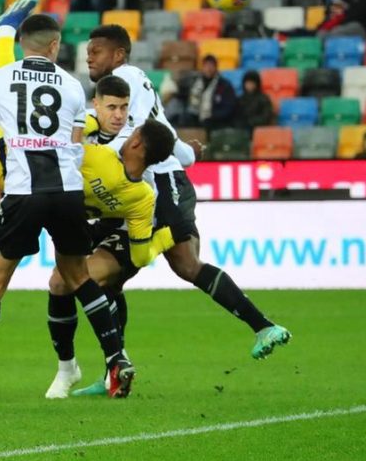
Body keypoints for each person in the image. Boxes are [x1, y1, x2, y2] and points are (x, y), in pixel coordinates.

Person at [70, 21, 289, 396]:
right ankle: (115, 372)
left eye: (97, 50)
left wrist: (86, 138)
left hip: (164, 183)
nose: (88, 56)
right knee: (106, 281)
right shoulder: (123, 85)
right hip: (148, 185)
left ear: (118, 54)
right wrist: (189, 152)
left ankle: (264, 325)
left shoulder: (127, 78)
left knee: (185, 264)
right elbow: (162, 130)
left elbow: (145, 132)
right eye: (88, 50)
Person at [0, 13, 124, 401]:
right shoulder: (74, 87)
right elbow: (77, 146)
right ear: (55, 46)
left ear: (22, 43)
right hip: (66, 192)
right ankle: (116, 361)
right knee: (79, 278)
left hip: (23, 193)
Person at [167, 55, 238, 131]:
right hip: (193, 116)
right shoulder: (193, 81)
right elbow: (182, 95)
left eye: (211, 66)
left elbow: (228, 107)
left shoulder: (224, 85)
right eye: (206, 65)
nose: (209, 69)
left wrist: (213, 116)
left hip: (214, 120)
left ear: (216, 68)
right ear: (202, 67)